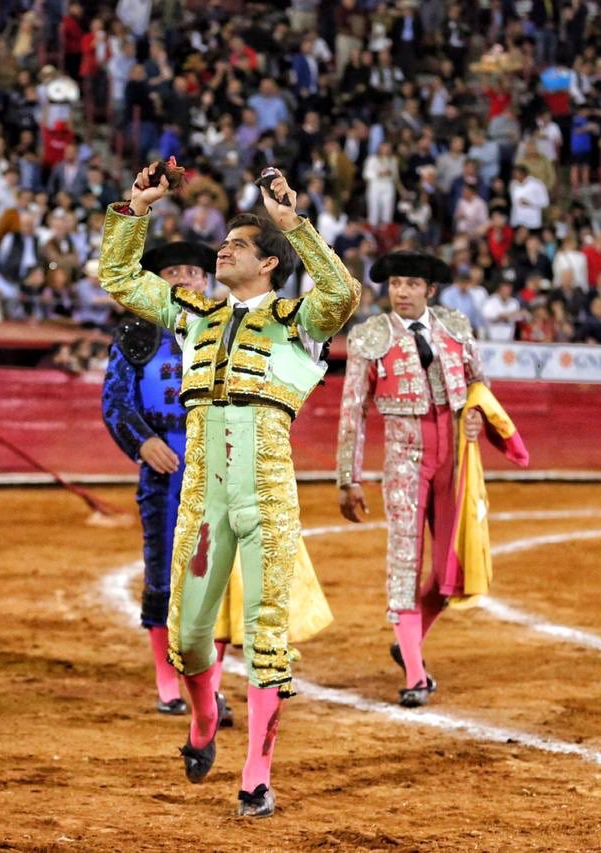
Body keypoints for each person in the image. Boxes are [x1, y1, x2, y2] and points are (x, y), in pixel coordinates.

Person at [99, 163, 359, 818]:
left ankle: (256, 775)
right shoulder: (192, 315)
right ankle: (205, 715)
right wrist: (137, 205)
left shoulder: (298, 320)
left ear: (269, 263)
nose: (223, 250)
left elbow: (343, 294)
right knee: (188, 637)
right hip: (203, 495)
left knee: (266, 635)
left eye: (240, 245)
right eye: (226, 244)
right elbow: (121, 279)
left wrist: (293, 224)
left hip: (266, 490)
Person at [336, 251, 529, 708]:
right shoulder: (370, 337)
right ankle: (416, 676)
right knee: (405, 559)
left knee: (450, 570)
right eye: (396, 284)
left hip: (454, 460)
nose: (401, 292)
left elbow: (479, 388)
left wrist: (477, 417)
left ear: (430, 290)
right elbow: (352, 413)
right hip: (404, 460)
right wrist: (349, 477)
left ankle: (409, 642)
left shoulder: (456, 329)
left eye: (411, 284)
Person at [101, 241, 217, 717]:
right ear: (157, 282)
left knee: (213, 572)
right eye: (174, 272)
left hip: (218, 463)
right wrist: (143, 442)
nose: (185, 279)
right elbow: (116, 402)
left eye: (193, 272)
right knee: (164, 568)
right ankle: (167, 678)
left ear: (207, 281)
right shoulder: (136, 334)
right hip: (165, 462)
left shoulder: (227, 330)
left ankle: (208, 676)